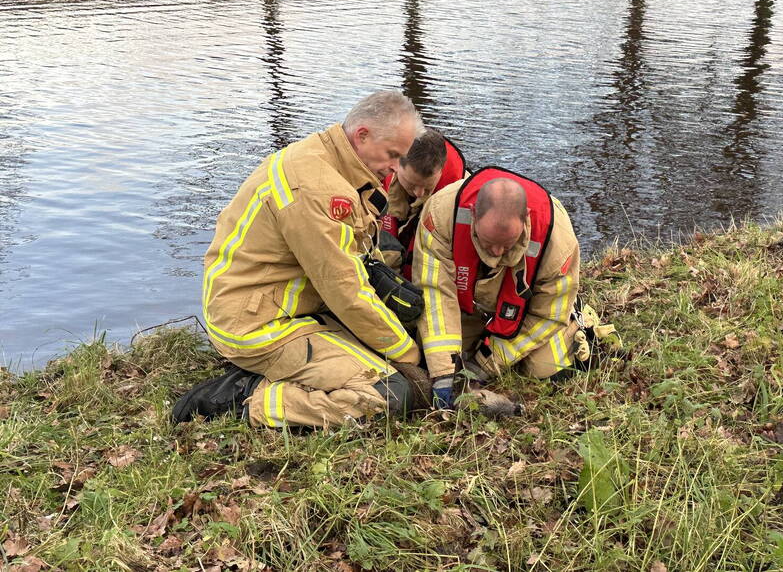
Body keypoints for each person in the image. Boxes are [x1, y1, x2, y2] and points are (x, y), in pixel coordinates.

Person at [173, 90, 427, 429]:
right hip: (257, 323)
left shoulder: (330, 159)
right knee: (390, 391)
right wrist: (411, 356)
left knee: (393, 334)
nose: (396, 168)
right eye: (392, 154)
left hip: (289, 306)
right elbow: (345, 291)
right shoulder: (315, 187)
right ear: (362, 135)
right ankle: (248, 398)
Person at [411, 167, 584, 408]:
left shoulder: (559, 240)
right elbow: (435, 292)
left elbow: (548, 315)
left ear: (526, 218)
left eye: (507, 244)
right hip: (468, 306)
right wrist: (443, 372)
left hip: (526, 313)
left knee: (548, 368)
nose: (497, 253)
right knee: (431, 353)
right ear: (473, 214)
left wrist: (485, 365)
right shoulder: (441, 213)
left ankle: (583, 318)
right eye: (489, 242)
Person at [379, 128, 467, 278]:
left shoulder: (461, 200)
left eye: (427, 186)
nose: (418, 193)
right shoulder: (375, 174)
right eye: (411, 183)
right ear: (396, 164)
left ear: (441, 170)